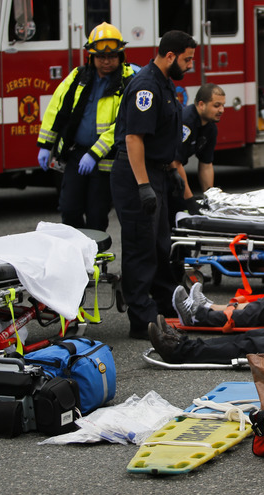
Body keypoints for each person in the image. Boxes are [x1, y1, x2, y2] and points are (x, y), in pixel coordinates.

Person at [111, 30, 197, 339]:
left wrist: (169, 170)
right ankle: (142, 319)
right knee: (141, 248)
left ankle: (166, 304)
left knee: (161, 245)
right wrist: (144, 185)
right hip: (137, 175)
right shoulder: (147, 86)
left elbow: (162, 137)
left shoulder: (164, 83)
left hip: (156, 172)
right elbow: (134, 138)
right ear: (170, 56)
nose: (190, 65)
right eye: (187, 59)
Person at [36, 22, 138, 231]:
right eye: (101, 57)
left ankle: (94, 261)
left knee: (97, 216)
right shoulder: (78, 76)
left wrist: (94, 153)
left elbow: (122, 125)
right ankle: (78, 253)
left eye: (112, 56)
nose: (106, 61)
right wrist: (45, 144)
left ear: (121, 56)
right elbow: (56, 107)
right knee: (68, 209)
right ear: (91, 56)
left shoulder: (128, 82)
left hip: (105, 161)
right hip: (76, 155)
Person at [170, 83, 225, 215]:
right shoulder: (186, 122)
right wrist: (189, 200)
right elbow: (175, 162)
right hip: (158, 173)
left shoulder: (210, 128)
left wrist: (209, 198)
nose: (222, 110)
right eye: (216, 106)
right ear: (201, 105)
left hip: (173, 174)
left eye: (223, 105)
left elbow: (206, 165)